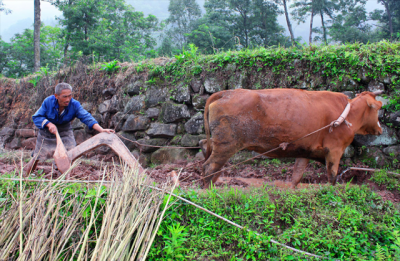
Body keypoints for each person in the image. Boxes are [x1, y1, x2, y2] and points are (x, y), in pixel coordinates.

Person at [24, 82, 115, 175]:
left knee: (70, 152)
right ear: (56, 96)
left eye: (70, 96)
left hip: (65, 131)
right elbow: (37, 117)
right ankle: (27, 175)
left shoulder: (74, 104)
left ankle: (63, 175)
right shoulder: (48, 102)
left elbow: (86, 117)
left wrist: (101, 130)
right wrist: (48, 124)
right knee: (38, 155)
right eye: (64, 96)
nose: (68, 99)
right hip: (46, 132)